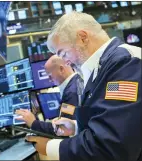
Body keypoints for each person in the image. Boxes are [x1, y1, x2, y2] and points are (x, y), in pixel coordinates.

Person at [26, 11, 142, 161]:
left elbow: (111, 145)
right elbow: (114, 119)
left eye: (63, 53)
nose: (65, 62)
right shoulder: (104, 67)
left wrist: (50, 147)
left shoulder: (125, 63)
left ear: (83, 37)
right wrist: (75, 127)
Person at [16, 55, 81, 136]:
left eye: (50, 75)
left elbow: (63, 129)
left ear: (61, 69)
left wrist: (33, 123)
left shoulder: (71, 92)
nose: (50, 80)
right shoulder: (74, 84)